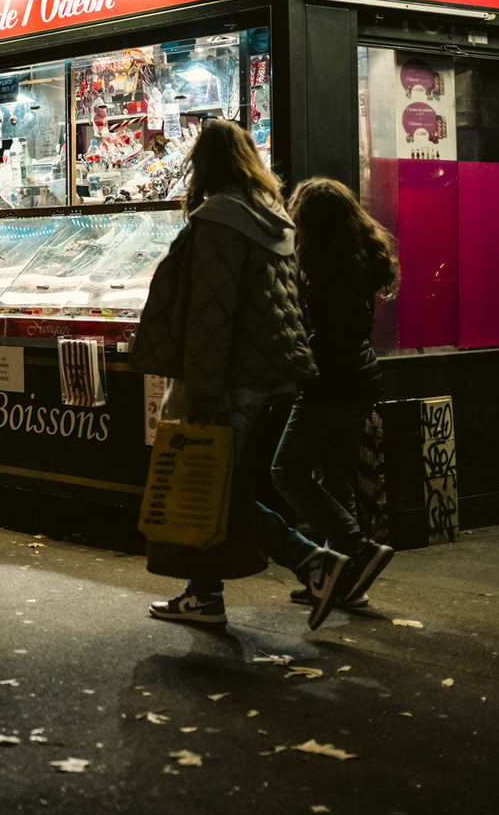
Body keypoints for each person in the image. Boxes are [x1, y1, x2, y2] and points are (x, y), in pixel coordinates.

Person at [144, 120, 349, 630]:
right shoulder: (270, 219)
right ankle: (204, 593)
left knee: (216, 489)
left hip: (226, 380)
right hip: (262, 376)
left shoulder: (220, 221)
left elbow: (210, 317)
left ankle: (310, 562)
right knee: (215, 483)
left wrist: (203, 392)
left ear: (204, 165)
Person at [268, 177, 398, 611]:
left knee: (287, 470)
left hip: (329, 384)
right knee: (335, 480)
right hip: (359, 381)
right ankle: (341, 581)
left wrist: (294, 368)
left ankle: (354, 550)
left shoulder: (323, 265)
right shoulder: (358, 258)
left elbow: (324, 337)